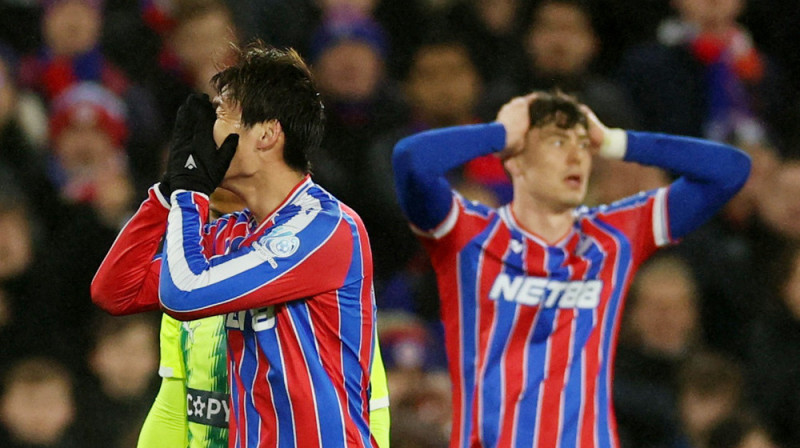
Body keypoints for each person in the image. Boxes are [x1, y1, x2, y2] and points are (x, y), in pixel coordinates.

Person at [391, 91, 751, 447]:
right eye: (558, 142)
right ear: (516, 160)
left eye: (583, 144)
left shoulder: (616, 235)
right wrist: (499, 134)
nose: (577, 156)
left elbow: (731, 170)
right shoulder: (468, 234)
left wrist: (614, 141)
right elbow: (411, 159)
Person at [92, 41, 380, 447]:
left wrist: (190, 195)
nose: (206, 134)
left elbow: (185, 293)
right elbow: (115, 290)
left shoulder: (328, 228)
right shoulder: (233, 232)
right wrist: (167, 191)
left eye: (222, 114)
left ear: (266, 134)